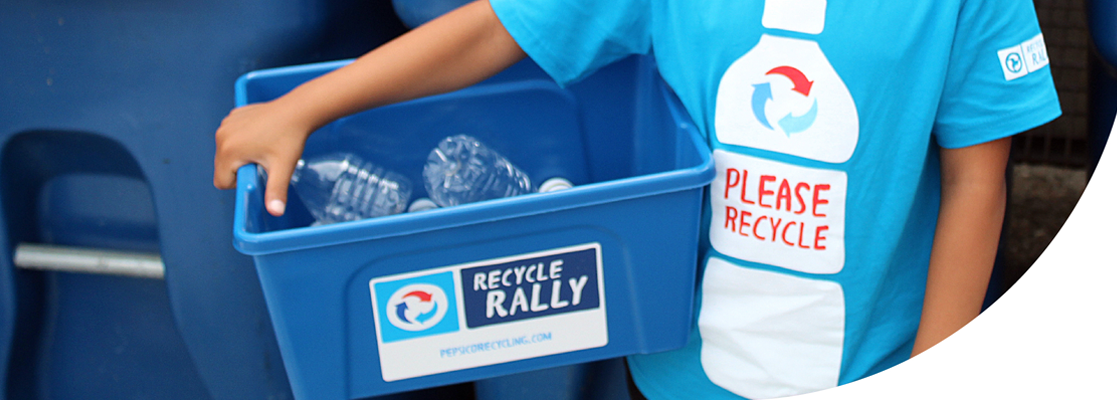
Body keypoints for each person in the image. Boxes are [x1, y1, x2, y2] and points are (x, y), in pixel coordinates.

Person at [213, 0, 1060, 398]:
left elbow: (976, 180)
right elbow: (497, 28)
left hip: (868, 370)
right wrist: (307, 106)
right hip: (683, 379)